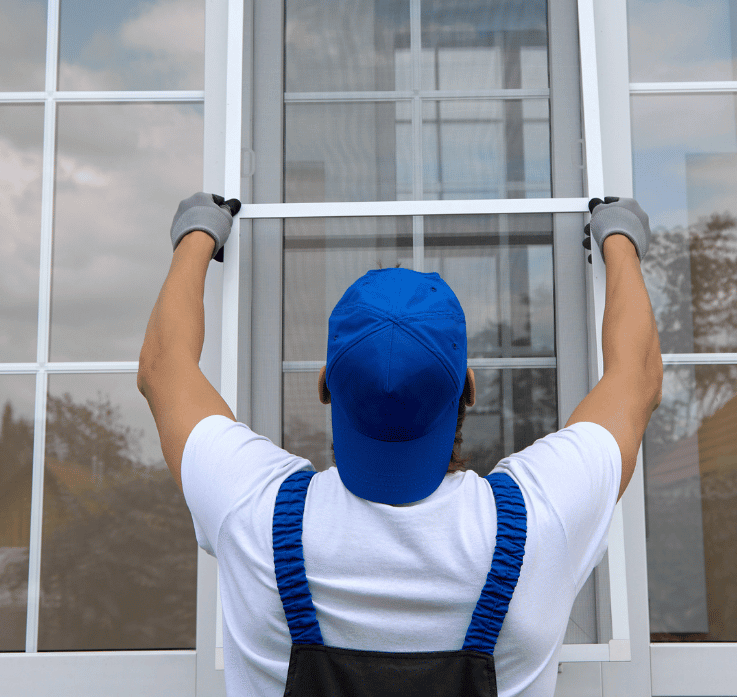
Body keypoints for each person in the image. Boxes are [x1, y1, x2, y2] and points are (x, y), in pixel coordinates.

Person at [137, 193, 663, 697]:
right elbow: (634, 380)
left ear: (325, 384)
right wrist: (618, 237)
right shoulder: (542, 518)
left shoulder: (252, 509)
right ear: (470, 388)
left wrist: (199, 232)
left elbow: (164, 368)